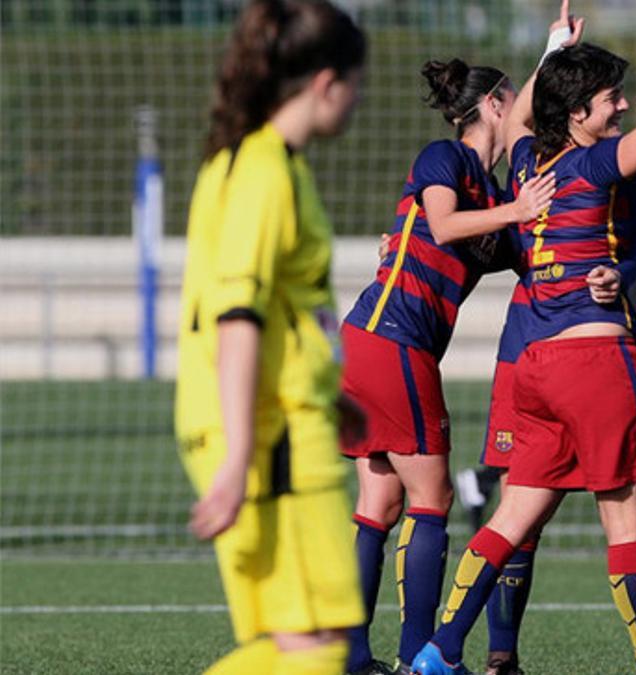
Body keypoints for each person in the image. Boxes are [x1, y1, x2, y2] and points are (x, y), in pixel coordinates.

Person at [411, 1, 636, 674]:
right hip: (596, 359)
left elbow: (517, 119)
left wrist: (551, 49)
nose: (623, 105)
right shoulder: (593, 166)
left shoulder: (524, 164)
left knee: (512, 516)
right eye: (610, 98)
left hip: (537, 365)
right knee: (629, 523)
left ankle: (440, 648)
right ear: (578, 114)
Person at [336, 50, 559, 674]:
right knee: (431, 498)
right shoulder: (447, 158)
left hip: (379, 341)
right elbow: (438, 223)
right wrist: (516, 212)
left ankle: (353, 659)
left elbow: (519, 248)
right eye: (515, 100)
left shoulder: (491, 195)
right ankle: (418, 658)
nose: (525, 114)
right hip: (392, 340)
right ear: (492, 106)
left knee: (379, 505)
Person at [174, 1, 368, 673]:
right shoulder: (262, 172)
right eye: (356, 82)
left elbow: (284, 310)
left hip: (282, 419)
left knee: (300, 644)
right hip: (270, 433)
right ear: (324, 84)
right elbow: (236, 317)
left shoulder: (262, 163)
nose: (359, 99)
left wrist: (327, 390)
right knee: (316, 645)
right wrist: (235, 458)